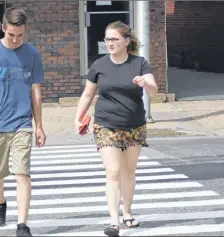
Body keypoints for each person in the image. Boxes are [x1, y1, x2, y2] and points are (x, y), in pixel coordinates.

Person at [74, 20, 158, 237]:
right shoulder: (99, 65)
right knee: (113, 171)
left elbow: (154, 91)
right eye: (107, 39)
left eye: (114, 39)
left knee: (128, 172)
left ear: (126, 41)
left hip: (134, 126)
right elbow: (87, 94)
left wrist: (145, 83)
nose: (109, 43)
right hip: (106, 124)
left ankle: (127, 212)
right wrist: (78, 117)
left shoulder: (139, 63)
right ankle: (114, 221)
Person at [0, 7, 46, 237]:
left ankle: (22, 225)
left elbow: (36, 91)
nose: (16, 40)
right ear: (3, 28)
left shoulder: (32, 54)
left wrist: (39, 125)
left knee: (22, 173)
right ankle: (1, 202)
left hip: (22, 123)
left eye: (20, 35)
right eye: (12, 34)